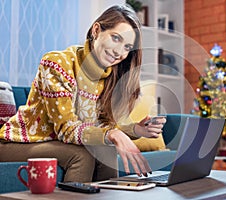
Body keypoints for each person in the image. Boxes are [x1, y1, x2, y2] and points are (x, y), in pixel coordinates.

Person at [0, 4, 166, 182]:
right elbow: (67, 129)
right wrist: (111, 135)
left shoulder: (108, 77)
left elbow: (100, 126)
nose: (119, 52)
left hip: (56, 143)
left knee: (105, 150)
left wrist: (136, 129)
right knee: (81, 155)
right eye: (115, 38)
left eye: (127, 47)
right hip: (18, 143)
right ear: (96, 30)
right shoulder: (56, 63)